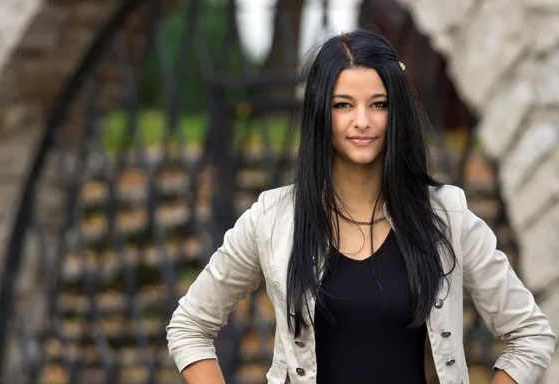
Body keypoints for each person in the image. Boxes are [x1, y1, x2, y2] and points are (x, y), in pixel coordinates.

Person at [166, 29, 555, 384]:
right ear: (321, 111)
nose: (362, 121)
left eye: (378, 104)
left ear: (395, 110)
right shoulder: (273, 218)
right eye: (343, 105)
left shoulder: (446, 215)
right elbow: (189, 326)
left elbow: (531, 335)